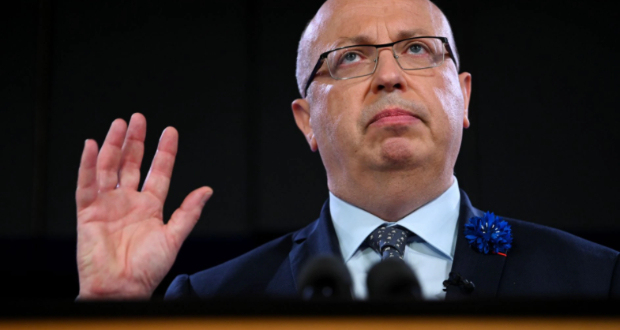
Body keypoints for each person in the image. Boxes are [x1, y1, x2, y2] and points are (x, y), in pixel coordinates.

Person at [76, 0, 620, 301]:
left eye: (416, 49)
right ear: (306, 119)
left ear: (465, 95)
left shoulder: (596, 281)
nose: (389, 75)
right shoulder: (214, 301)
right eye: (351, 59)